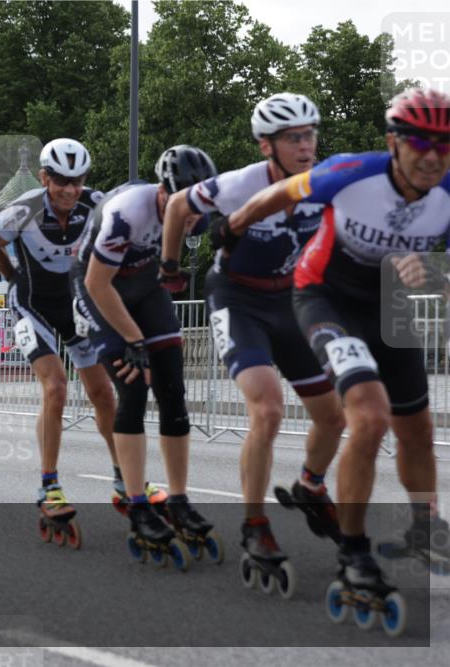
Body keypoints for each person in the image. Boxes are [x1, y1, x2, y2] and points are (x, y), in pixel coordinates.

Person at [223, 87, 450, 601]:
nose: (433, 155)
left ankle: (422, 525)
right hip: (325, 297)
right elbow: (280, 195)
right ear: (394, 142)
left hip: (389, 304)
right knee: (368, 417)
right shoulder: (353, 173)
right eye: (420, 141)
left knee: (417, 427)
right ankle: (353, 553)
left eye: (445, 143)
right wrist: (233, 229)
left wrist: (434, 275)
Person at [161, 93, 345, 586]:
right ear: (267, 146)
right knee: (267, 408)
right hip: (237, 301)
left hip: (288, 301)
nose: (306, 146)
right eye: (293, 138)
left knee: (333, 414)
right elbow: (178, 205)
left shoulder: (324, 181)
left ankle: (310, 486)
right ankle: (255, 524)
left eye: (310, 135)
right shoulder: (241, 184)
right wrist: (171, 267)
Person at [0, 138, 152, 542]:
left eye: (76, 181)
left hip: (75, 306)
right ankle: (49, 486)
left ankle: (123, 480)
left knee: (103, 394)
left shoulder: (95, 203)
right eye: (61, 181)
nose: (69, 190)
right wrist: (12, 278)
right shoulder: (25, 208)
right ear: (45, 178)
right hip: (32, 306)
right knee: (56, 387)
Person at [72, 145, 221, 562]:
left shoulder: (198, 208)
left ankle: (177, 499)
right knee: (133, 390)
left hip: (145, 287)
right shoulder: (127, 213)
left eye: (196, 211)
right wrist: (133, 341)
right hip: (99, 289)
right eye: (183, 210)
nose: (192, 220)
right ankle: (136, 503)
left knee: (173, 390)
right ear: (162, 193)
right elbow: (98, 284)